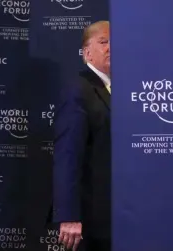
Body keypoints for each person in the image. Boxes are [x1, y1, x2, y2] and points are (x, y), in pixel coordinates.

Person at [52, 21, 111, 251]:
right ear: (87, 53)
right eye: (103, 42)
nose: (111, 48)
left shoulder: (124, 89)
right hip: (90, 220)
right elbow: (67, 154)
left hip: (118, 217)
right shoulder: (78, 89)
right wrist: (69, 215)